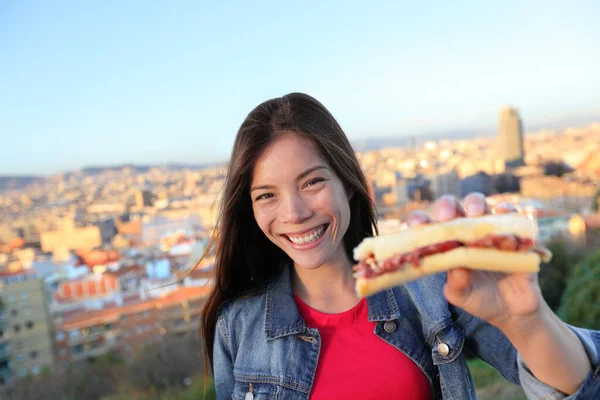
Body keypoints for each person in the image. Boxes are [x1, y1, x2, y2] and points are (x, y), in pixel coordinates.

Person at [200, 92, 600, 399]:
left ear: (349, 185)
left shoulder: (431, 288)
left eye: (312, 182)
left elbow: (575, 386)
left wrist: (526, 320)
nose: (295, 212)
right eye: (266, 195)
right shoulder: (237, 327)